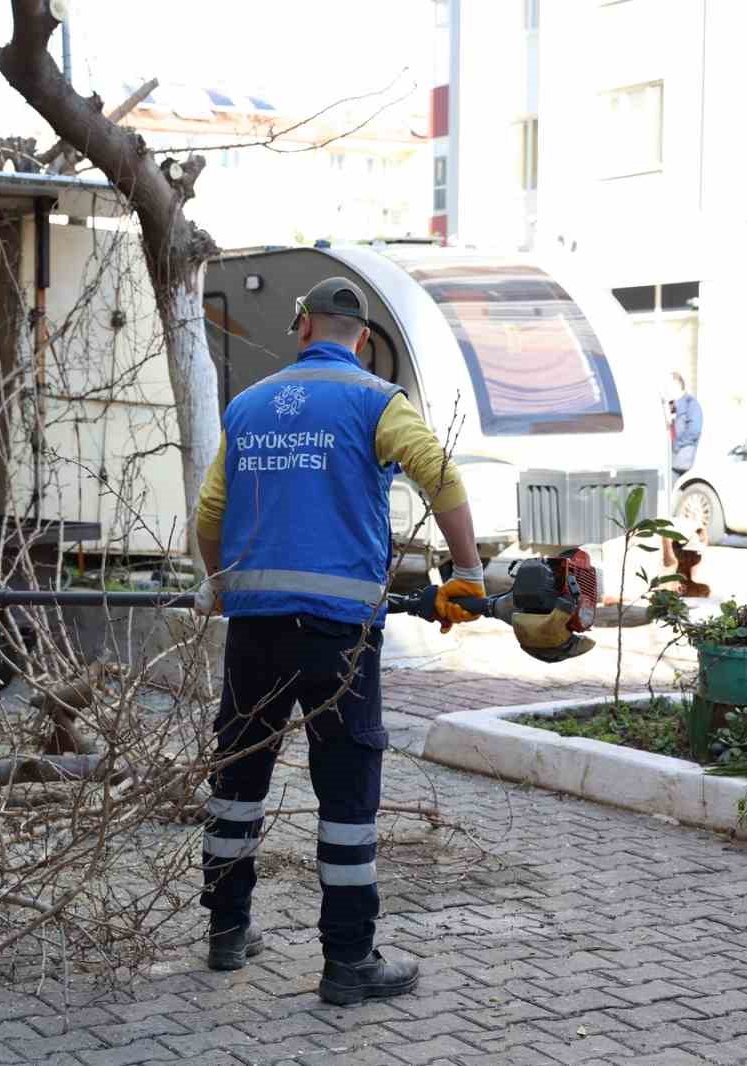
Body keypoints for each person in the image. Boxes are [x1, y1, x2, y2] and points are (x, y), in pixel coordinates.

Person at [190, 276, 484, 1006]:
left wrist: (222, 583)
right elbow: (439, 477)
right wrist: (470, 572)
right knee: (346, 792)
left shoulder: (249, 406)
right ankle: (348, 961)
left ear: (301, 328)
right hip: (339, 637)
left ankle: (227, 932)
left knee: (239, 780)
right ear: (362, 339)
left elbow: (210, 512)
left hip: (255, 631)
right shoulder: (375, 402)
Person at [666, 371, 704, 477]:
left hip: (684, 461)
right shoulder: (672, 404)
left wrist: (677, 444)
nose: (666, 389)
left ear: (676, 385)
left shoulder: (691, 403)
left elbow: (694, 431)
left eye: (667, 386)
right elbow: (671, 425)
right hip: (673, 458)